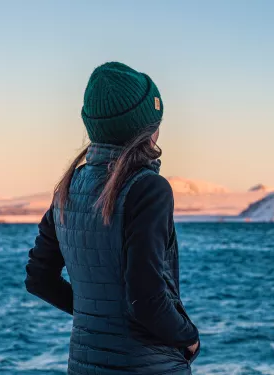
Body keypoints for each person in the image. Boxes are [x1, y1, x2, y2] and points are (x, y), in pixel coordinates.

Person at [25, 62, 200, 375]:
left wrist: (99, 314)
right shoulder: (148, 188)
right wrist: (188, 337)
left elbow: (40, 279)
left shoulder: (69, 186)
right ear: (146, 129)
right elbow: (146, 298)